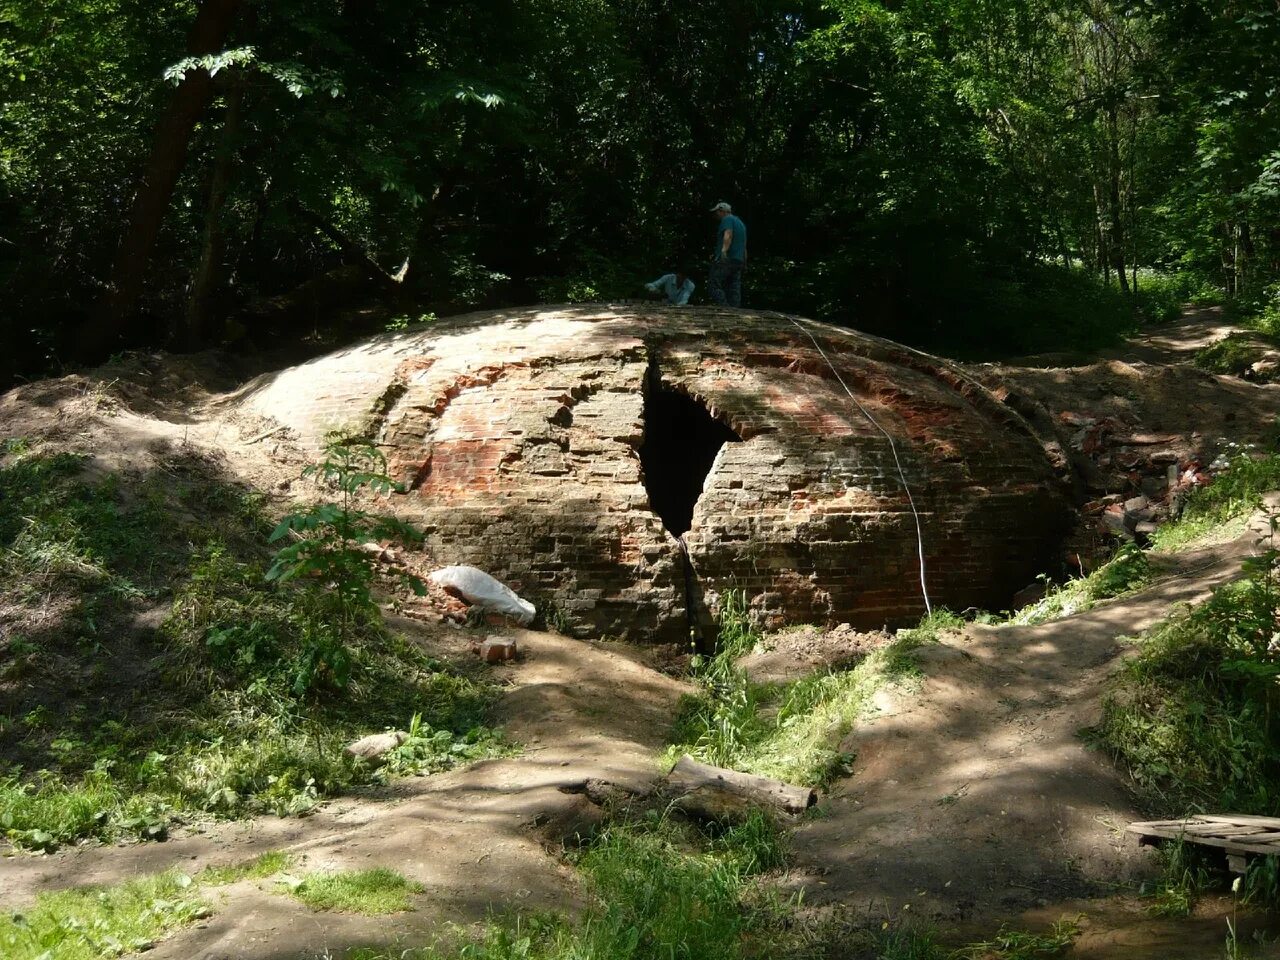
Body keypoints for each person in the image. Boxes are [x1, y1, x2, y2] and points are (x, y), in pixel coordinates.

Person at [708, 201, 747, 307]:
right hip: (738, 260)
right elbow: (743, 245)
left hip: (727, 259)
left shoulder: (727, 219)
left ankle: (725, 307)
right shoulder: (740, 223)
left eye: (716, 212)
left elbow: (728, 234)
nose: (716, 215)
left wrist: (723, 251)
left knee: (713, 285)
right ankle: (735, 310)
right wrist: (744, 261)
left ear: (722, 211)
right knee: (733, 287)